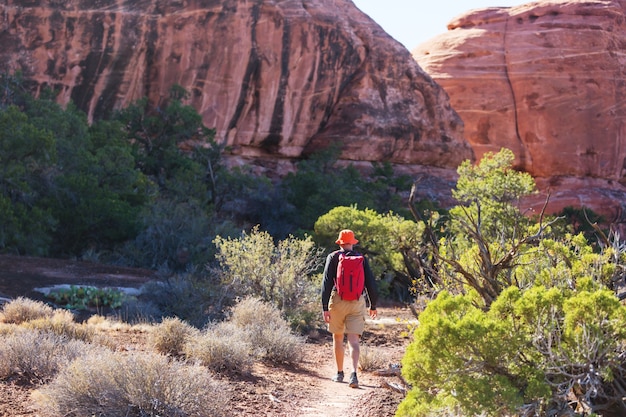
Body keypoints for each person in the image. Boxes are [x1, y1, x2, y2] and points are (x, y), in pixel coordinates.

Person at [321, 229, 378, 388]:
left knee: (338, 338)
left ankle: (339, 373)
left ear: (339, 242)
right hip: (357, 301)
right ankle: (354, 374)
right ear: (353, 242)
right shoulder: (362, 259)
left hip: (338, 300)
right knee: (353, 340)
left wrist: (325, 307)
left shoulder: (333, 257)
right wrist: (373, 305)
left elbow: (326, 284)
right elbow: (371, 284)